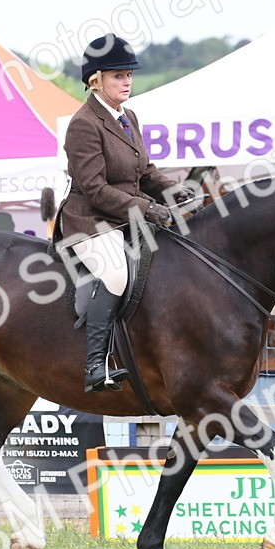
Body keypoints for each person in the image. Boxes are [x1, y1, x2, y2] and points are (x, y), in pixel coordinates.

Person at [55, 34, 195, 393]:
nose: (127, 82)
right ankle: (94, 366)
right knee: (116, 275)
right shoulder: (84, 124)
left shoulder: (127, 116)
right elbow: (96, 189)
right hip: (89, 222)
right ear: (95, 80)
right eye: (118, 75)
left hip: (126, 219)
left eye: (129, 75)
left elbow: (144, 172)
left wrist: (172, 190)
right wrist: (149, 208)